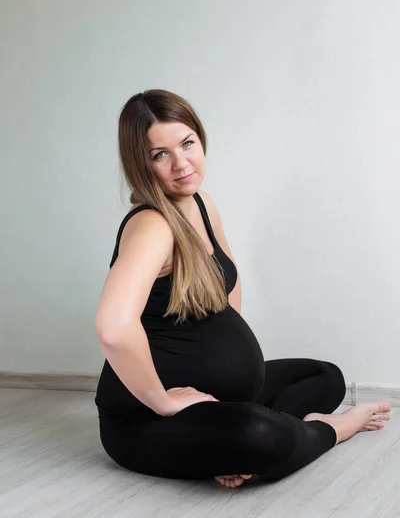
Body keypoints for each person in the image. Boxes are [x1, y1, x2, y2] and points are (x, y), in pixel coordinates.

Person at [94, 89, 391, 488]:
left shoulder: (200, 202)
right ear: (140, 163)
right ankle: (332, 430)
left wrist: (235, 362)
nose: (181, 163)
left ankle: (236, 442)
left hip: (225, 400)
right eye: (159, 154)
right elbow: (113, 327)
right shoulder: (151, 225)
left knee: (325, 377)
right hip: (147, 418)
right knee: (258, 435)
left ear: (200, 139)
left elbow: (228, 286)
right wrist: (163, 401)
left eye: (187, 144)